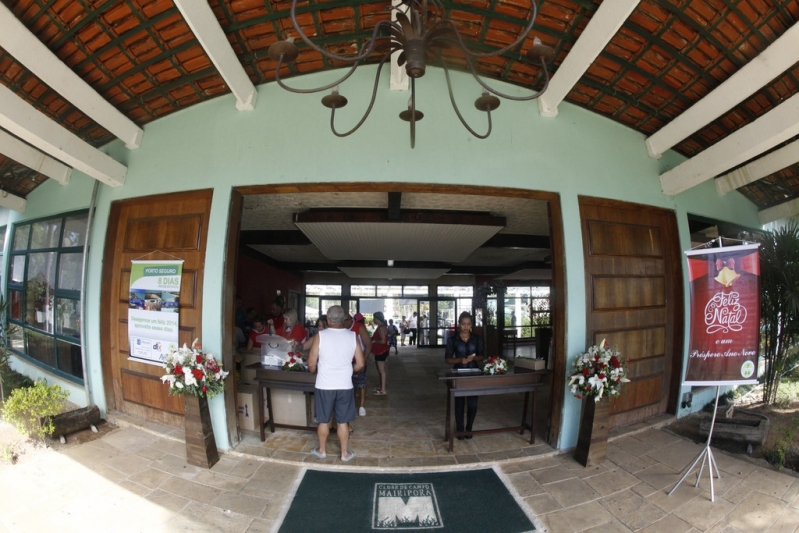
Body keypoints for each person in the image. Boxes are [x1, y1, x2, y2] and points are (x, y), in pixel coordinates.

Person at [307, 305, 364, 462]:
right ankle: (344, 454)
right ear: (344, 319)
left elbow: (311, 363)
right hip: (345, 385)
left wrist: (313, 371)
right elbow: (360, 364)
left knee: (324, 420)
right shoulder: (353, 336)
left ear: (328, 319)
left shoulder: (320, 336)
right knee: (343, 421)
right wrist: (349, 372)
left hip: (324, 385)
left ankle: (322, 450)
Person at [444, 311, 485, 440]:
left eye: (468, 324)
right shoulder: (453, 340)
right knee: (459, 404)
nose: (466, 327)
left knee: (472, 404)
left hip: (474, 374)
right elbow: (447, 359)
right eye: (463, 324)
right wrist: (459, 360)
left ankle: (469, 428)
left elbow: (481, 356)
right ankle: (460, 430)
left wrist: (473, 358)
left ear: (471, 324)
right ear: (459, 324)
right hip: (459, 374)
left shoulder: (477, 339)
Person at [345, 312, 372, 416]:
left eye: (344, 322)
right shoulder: (342, 328)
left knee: (361, 383)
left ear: (349, 320)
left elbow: (368, 344)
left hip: (358, 359)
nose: (342, 325)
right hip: (346, 360)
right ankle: (348, 405)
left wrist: (363, 360)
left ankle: (361, 406)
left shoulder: (359, 327)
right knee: (348, 383)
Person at [371, 311, 390, 395]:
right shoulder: (381, 326)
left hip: (381, 351)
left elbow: (383, 341)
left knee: (381, 370)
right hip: (380, 351)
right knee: (380, 370)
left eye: (374, 318)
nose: (373, 320)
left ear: (378, 319)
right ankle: (381, 386)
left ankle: (383, 390)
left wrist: (374, 341)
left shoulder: (381, 328)